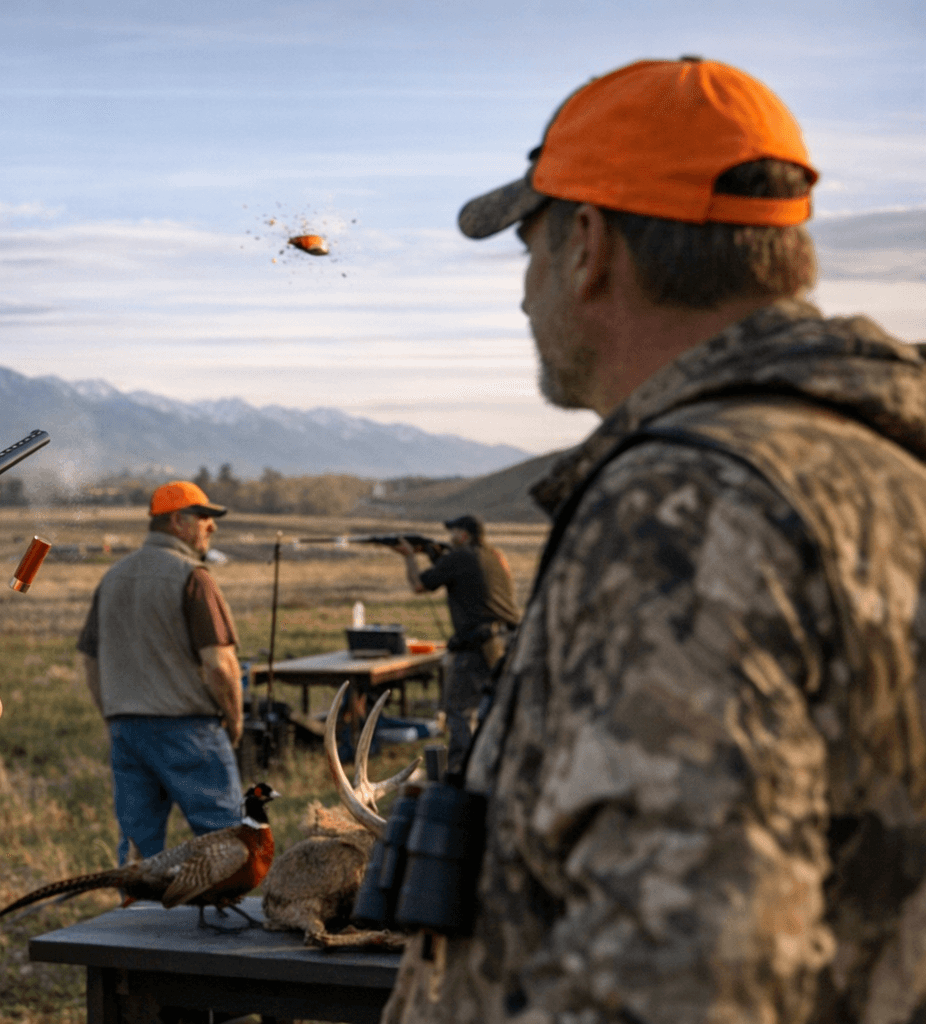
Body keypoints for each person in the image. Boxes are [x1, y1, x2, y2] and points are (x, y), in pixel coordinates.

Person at [381, 58, 926, 1023]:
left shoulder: (682, 508)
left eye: (528, 251)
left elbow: (681, 971)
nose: (522, 298)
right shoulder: (884, 468)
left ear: (587, 244)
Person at [76, 480, 245, 861]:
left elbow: (90, 661)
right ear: (178, 522)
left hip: (126, 729)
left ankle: (136, 916)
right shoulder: (193, 576)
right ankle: (224, 919)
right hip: (188, 728)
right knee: (226, 843)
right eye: (204, 518)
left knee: (138, 851)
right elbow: (220, 665)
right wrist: (234, 720)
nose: (212, 527)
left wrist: (113, 714)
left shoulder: (112, 577)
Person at [393, 513, 519, 765]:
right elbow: (472, 582)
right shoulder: (496, 556)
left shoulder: (460, 557)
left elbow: (419, 585)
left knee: (458, 711)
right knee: (497, 709)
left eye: (453, 533)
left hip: (478, 646)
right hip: (509, 642)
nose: (450, 537)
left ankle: (462, 773)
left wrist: (409, 557)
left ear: (463, 535)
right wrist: (440, 559)